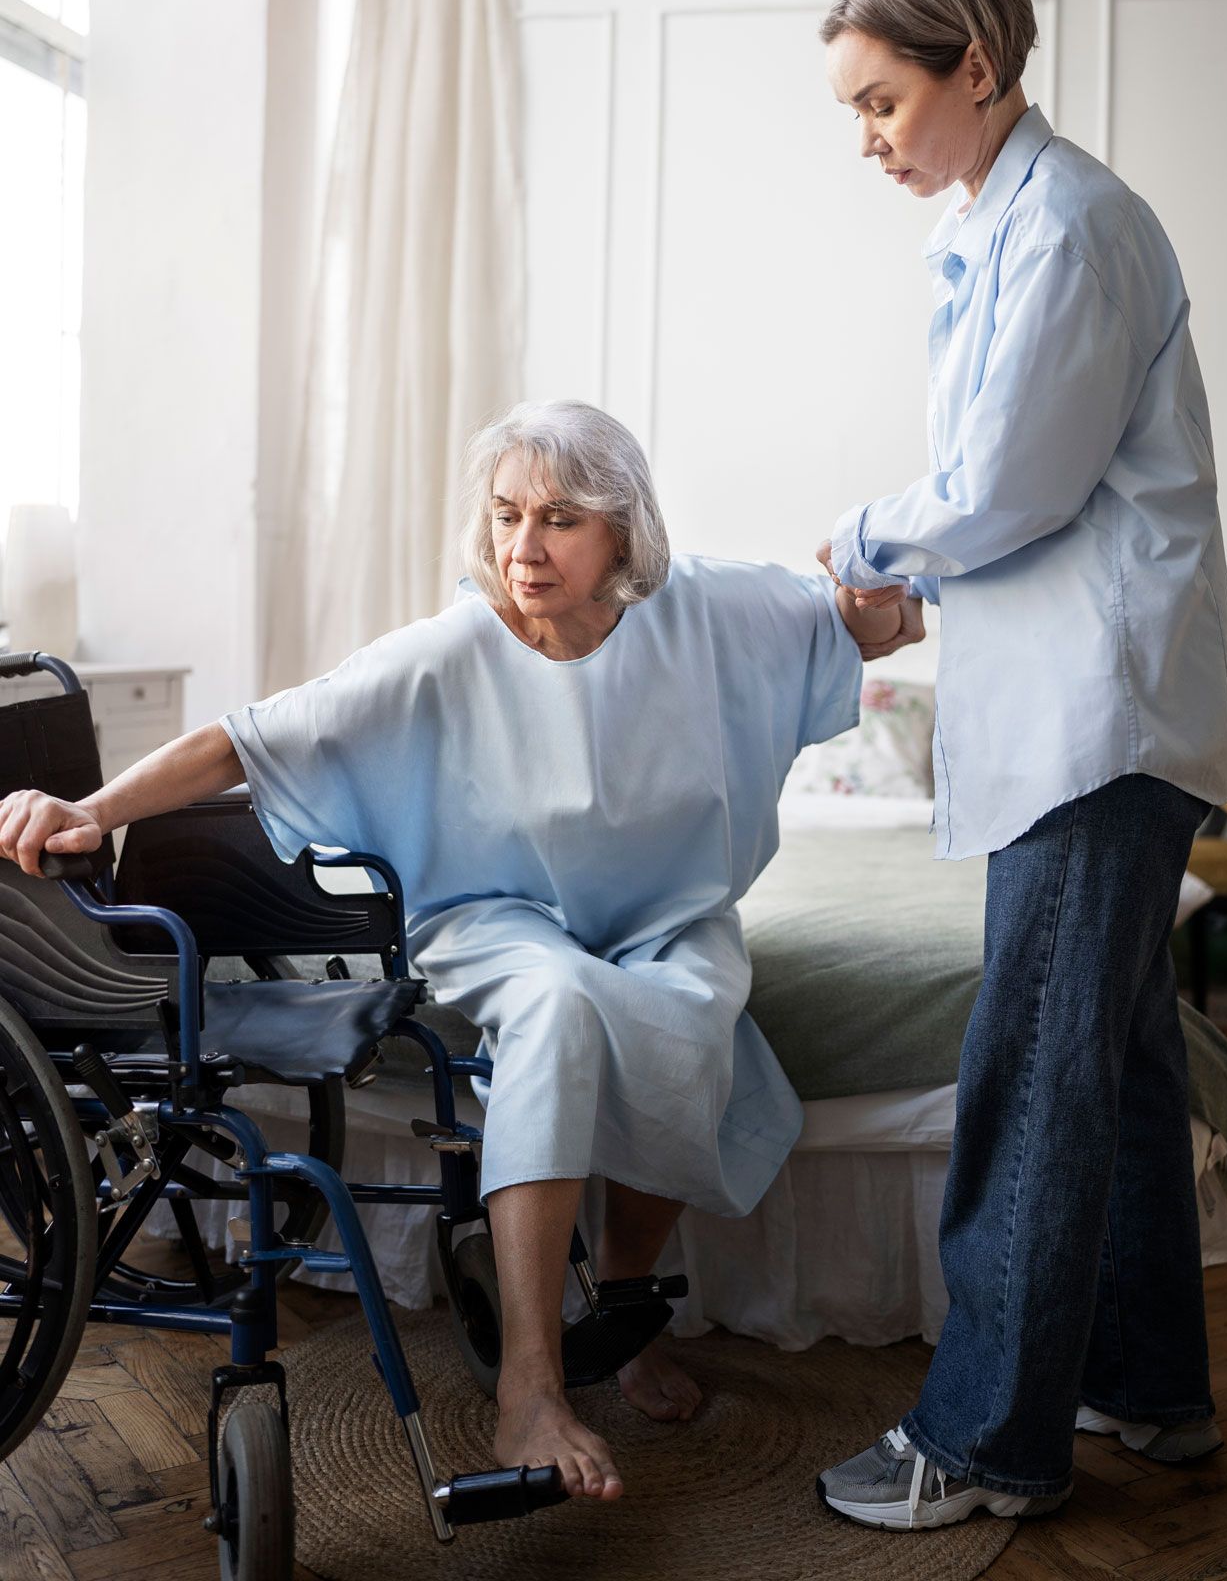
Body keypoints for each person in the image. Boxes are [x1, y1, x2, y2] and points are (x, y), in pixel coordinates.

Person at [0, 398, 912, 1504]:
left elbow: (861, 624)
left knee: (698, 1003)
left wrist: (892, 600)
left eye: (560, 520)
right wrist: (90, 808)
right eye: (506, 515)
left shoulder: (711, 609)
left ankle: (621, 1308)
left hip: (667, 912)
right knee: (560, 1006)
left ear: (621, 532)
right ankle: (529, 1381)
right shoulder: (451, 649)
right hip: (499, 913)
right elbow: (247, 739)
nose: (523, 548)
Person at [811, 0, 1227, 1531]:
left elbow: (1008, 487)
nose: (866, 136)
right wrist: (928, 589)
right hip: (1097, 706)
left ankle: (987, 1436)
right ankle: (1150, 1386)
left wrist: (863, 541)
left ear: (976, 70)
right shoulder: (1023, 227)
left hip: (1100, 729)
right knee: (1121, 1066)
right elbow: (1050, 506)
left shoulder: (1065, 227)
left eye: (880, 102)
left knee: (1033, 1072)